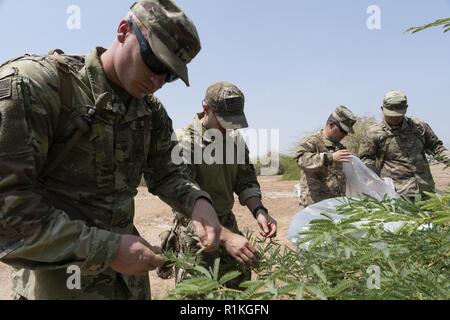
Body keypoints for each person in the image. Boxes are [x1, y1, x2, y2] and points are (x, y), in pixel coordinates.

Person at [0, 0, 222, 300]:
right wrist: (106, 249)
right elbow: (8, 210)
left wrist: (197, 201)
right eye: (155, 63)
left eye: (169, 74)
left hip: (127, 286)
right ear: (123, 31)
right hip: (59, 285)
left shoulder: (150, 110)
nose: (158, 81)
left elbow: (168, 173)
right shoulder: (37, 86)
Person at [166, 81, 277, 288]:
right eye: (224, 122)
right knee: (198, 293)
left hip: (228, 224)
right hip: (196, 233)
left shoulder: (235, 140)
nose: (229, 130)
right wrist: (227, 239)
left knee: (239, 286)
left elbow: (245, 181)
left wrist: (259, 211)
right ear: (206, 109)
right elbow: (182, 203)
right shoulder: (183, 142)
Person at [359, 90, 450, 198]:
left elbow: (436, 147)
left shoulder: (419, 127)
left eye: (398, 115)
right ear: (382, 109)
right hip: (397, 194)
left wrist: (447, 158)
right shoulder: (374, 133)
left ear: (406, 109)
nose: (394, 118)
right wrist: (375, 177)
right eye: (390, 114)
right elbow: (366, 159)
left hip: (426, 191)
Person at [294, 106, 357, 207]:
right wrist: (329, 157)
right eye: (343, 130)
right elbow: (300, 159)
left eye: (347, 132)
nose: (345, 135)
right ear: (331, 125)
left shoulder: (340, 147)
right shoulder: (313, 142)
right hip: (314, 205)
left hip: (336, 204)